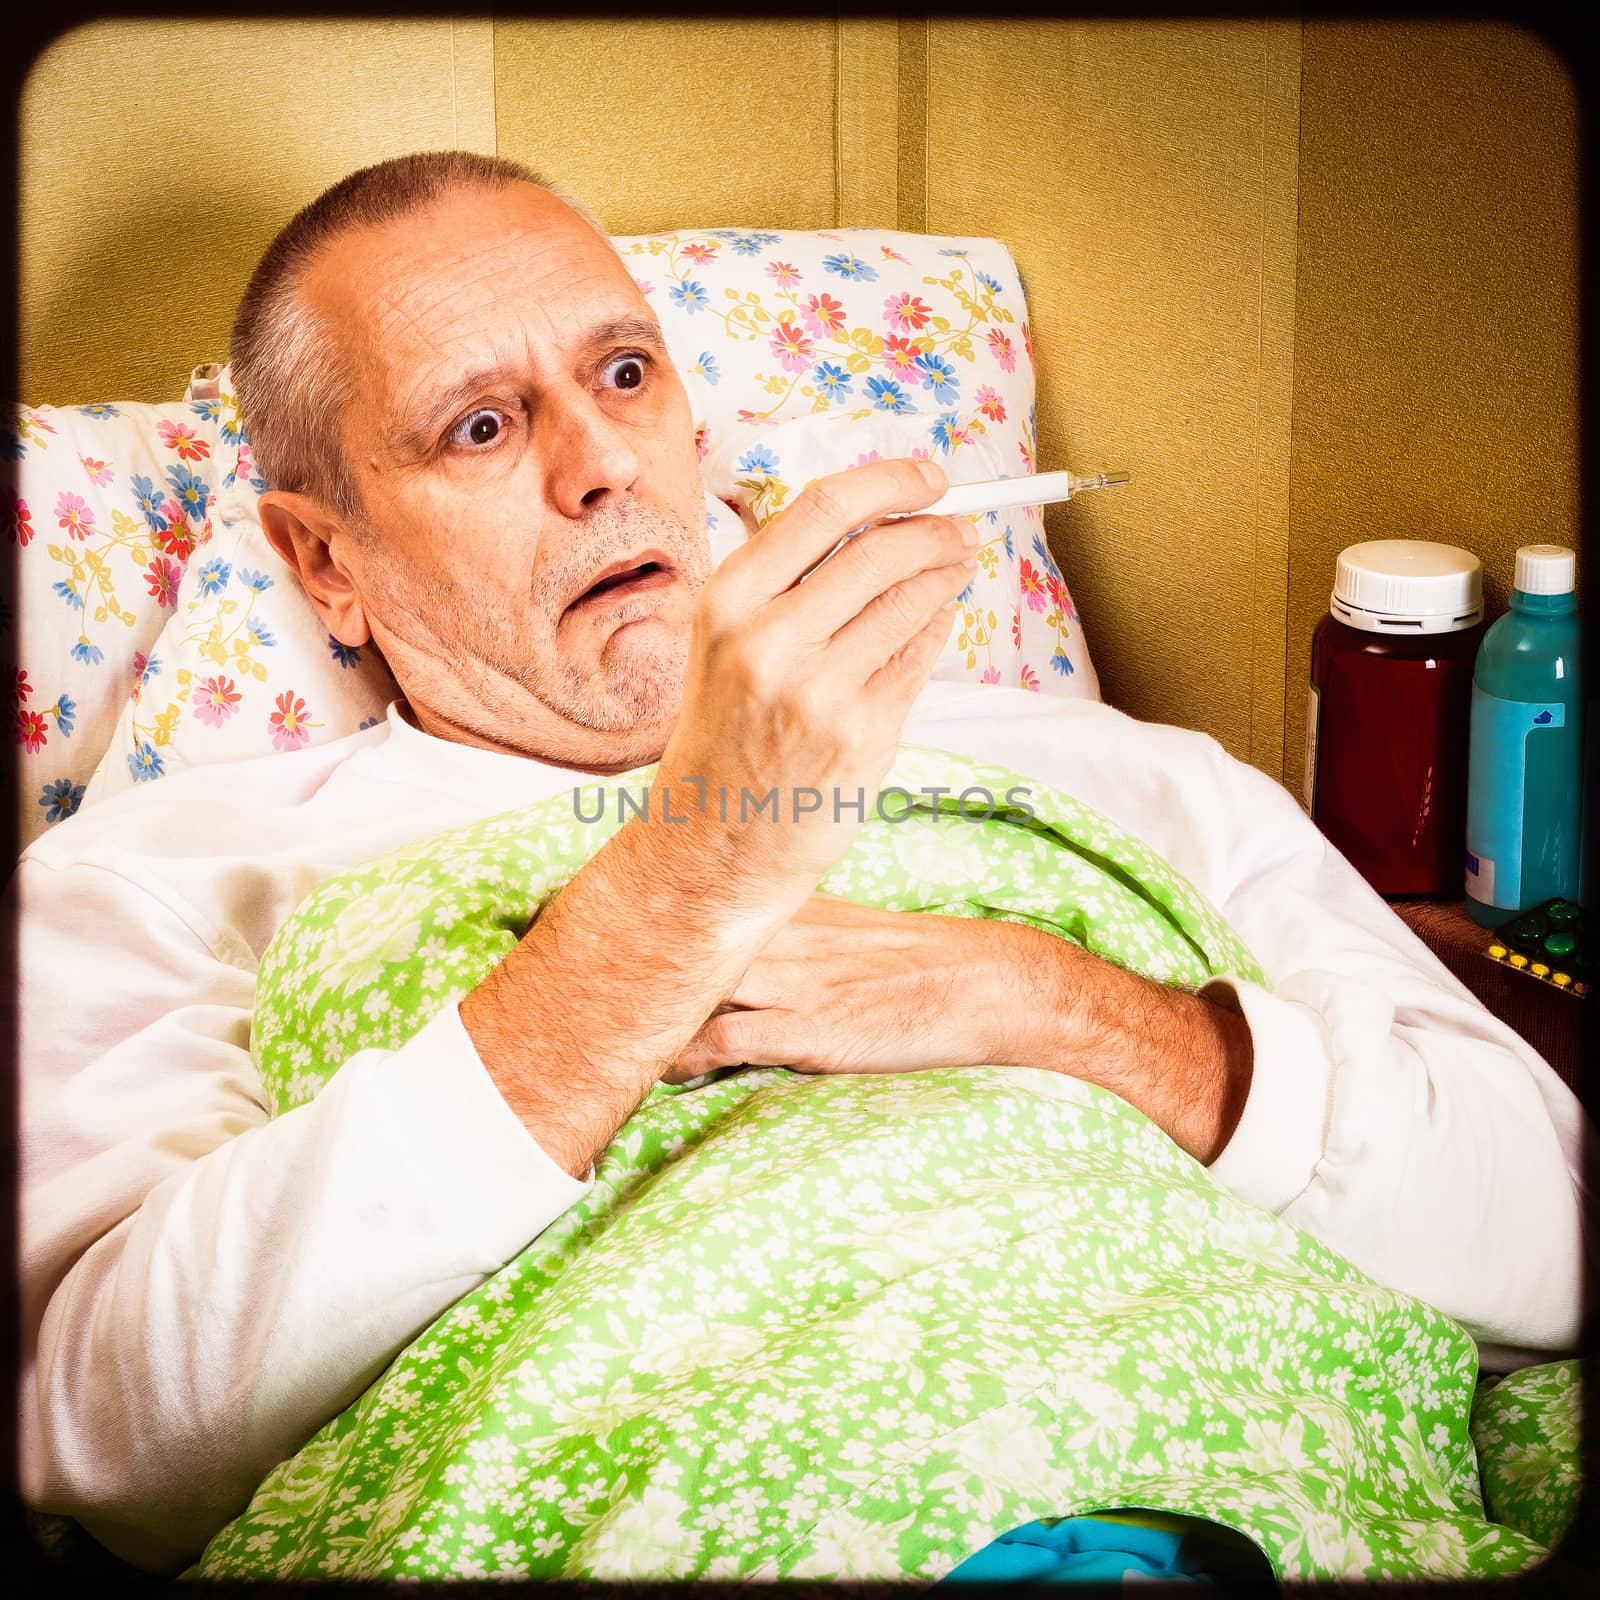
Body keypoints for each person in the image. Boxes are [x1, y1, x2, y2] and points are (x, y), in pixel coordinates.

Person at [10, 151, 1588, 1576]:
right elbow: (106, 1435)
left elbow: (1552, 1250)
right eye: (481, 425)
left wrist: (1067, 1008)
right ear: (324, 561)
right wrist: (679, 889)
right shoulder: (166, 877)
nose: (602, 466)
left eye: (625, 374)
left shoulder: (1121, 771)